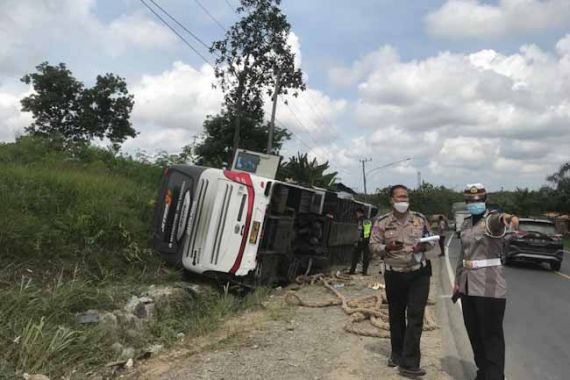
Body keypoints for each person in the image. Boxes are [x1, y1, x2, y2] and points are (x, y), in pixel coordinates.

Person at [453, 183, 519, 380]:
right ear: (466, 202)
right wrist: (457, 281)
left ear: (485, 200)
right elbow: (462, 256)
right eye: (471, 201)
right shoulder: (466, 224)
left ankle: (495, 376)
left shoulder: (490, 220)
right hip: (467, 286)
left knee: (491, 335)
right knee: (474, 333)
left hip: (489, 286)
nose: (475, 203)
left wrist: (509, 218)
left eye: (479, 200)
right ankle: (483, 372)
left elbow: (501, 220)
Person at [369, 185, 435, 377]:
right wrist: (387, 247)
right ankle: (397, 353)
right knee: (396, 315)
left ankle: (410, 363)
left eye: (405, 197)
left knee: (415, 317)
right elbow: (373, 245)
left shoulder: (420, 219)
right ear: (391, 200)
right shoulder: (382, 222)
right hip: (394, 274)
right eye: (399, 197)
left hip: (418, 274)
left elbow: (431, 240)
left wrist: (424, 246)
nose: (403, 200)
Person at [349, 207, 371, 275]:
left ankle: (352, 271)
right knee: (366, 256)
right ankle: (364, 272)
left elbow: (359, 231)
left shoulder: (360, 220)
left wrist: (357, 240)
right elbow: (371, 231)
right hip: (367, 240)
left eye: (356, 213)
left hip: (361, 240)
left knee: (356, 256)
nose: (356, 215)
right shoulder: (368, 220)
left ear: (359, 213)